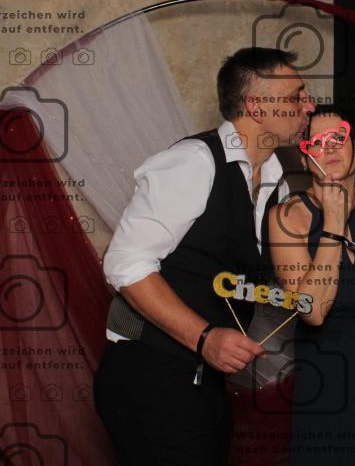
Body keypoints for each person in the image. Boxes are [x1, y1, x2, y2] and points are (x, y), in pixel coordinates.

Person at [93, 47, 316, 465]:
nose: (309, 106)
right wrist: (204, 337)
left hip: (205, 379)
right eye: (295, 96)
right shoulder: (194, 162)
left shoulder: (278, 181)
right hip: (150, 372)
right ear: (256, 106)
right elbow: (125, 264)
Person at [267, 105, 355, 465]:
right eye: (316, 143)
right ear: (305, 158)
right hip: (326, 392)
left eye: (337, 139)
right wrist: (333, 224)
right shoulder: (287, 218)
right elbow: (312, 311)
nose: (327, 149)